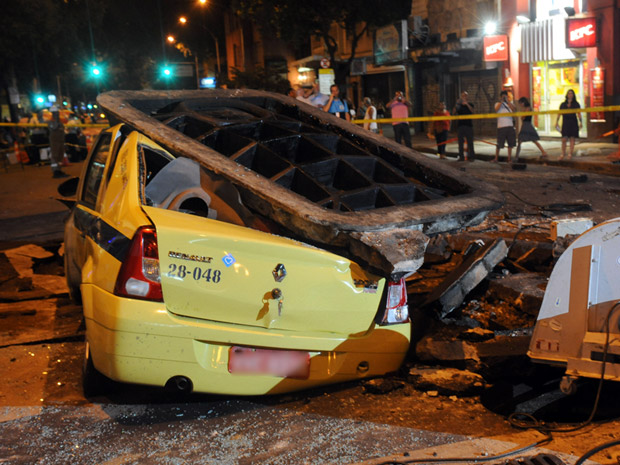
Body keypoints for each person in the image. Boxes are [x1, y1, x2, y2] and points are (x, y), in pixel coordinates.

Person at [515, 97, 548, 162]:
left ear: (523, 103)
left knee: (531, 140)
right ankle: (543, 152)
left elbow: (523, 117)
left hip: (527, 125)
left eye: (520, 103)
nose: (520, 105)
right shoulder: (527, 108)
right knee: (523, 141)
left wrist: (522, 115)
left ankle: (543, 152)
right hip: (526, 125)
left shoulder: (527, 108)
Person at [554, 89, 582, 160]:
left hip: (573, 122)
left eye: (571, 93)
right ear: (567, 95)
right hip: (565, 122)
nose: (570, 95)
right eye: (569, 93)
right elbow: (559, 113)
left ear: (573, 95)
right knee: (564, 139)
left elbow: (579, 114)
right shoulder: (563, 104)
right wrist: (556, 122)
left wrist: (581, 122)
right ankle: (562, 153)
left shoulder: (576, 104)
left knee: (572, 138)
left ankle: (570, 154)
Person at [492, 90, 516, 163]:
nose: (504, 98)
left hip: (510, 126)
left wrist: (508, 102)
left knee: (510, 144)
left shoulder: (510, 104)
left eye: (506, 96)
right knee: (499, 144)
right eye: (503, 96)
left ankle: (509, 159)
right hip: (501, 127)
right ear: (500, 97)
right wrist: (502, 101)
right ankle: (496, 158)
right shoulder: (497, 104)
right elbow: (496, 110)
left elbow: (514, 110)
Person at [453, 91, 475, 161]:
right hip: (460, 125)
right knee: (460, 142)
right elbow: (453, 112)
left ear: (467, 97)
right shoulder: (459, 106)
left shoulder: (470, 104)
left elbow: (472, 112)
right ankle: (461, 157)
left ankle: (471, 157)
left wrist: (467, 104)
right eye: (462, 96)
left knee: (470, 142)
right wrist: (457, 104)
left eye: (465, 96)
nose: (464, 97)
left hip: (468, 125)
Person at [48, 106, 68, 178]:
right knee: (55, 155)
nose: (58, 114)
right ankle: (55, 171)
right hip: (55, 141)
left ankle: (59, 170)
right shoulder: (51, 121)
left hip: (60, 140)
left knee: (60, 155)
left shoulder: (59, 121)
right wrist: (56, 120)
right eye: (56, 113)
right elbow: (54, 127)